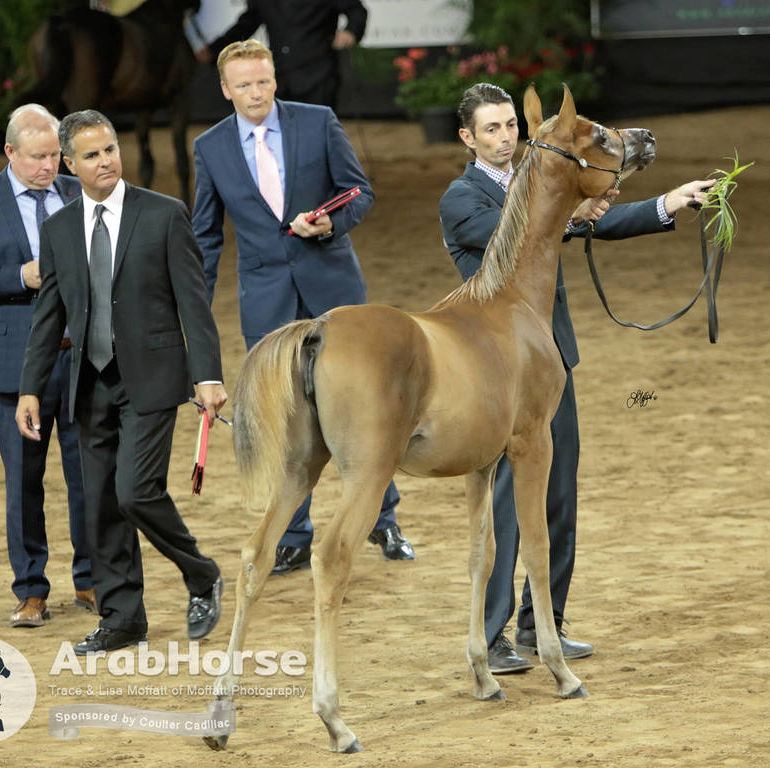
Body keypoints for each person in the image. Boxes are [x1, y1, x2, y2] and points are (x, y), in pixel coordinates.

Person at [439, 83, 714, 673]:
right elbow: (519, 240)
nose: (506, 136)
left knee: (559, 492)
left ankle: (545, 626)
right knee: (508, 507)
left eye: (511, 124)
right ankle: (492, 637)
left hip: (550, 360)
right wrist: (571, 209)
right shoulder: (461, 198)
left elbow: (593, 223)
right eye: (491, 128)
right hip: (495, 371)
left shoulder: (547, 179)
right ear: (468, 138)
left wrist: (670, 201)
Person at [191, 38, 414, 575]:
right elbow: (205, 236)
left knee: (365, 411)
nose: (255, 93)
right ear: (225, 89)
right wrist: (191, 304)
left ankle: (383, 520)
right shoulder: (211, 147)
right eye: (243, 85)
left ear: (275, 79)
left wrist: (332, 222)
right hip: (266, 302)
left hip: (335, 291)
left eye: (263, 81)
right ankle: (294, 534)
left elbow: (359, 191)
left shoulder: (317, 122)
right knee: (285, 419)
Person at [15, 109, 227, 655]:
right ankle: (123, 618)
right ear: (69, 164)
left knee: (135, 492)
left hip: (152, 379)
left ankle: (200, 573)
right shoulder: (59, 228)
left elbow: (193, 302)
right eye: (91, 155)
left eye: (110, 149)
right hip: (89, 384)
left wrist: (208, 375)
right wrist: (30, 388)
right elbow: (50, 315)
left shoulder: (163, 214)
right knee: (102, 505)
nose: (105, 160)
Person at [0, 104, 95, 629]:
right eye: (37, 157)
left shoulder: (79, 192)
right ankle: (31, 589)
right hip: (15, 365)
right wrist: (20, 276)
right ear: (10, 152)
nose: (49, 166)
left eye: (56, 154)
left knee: (89, 476)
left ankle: (90, 578)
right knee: (24, 481)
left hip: (80, 359)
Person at [198, 1, 367, 108]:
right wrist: (214, 50)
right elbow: (247, 23)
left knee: (316, 138)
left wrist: (350, 32)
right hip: (280, 77)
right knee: (282, 140)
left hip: (318, 74)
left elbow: (357, 11)